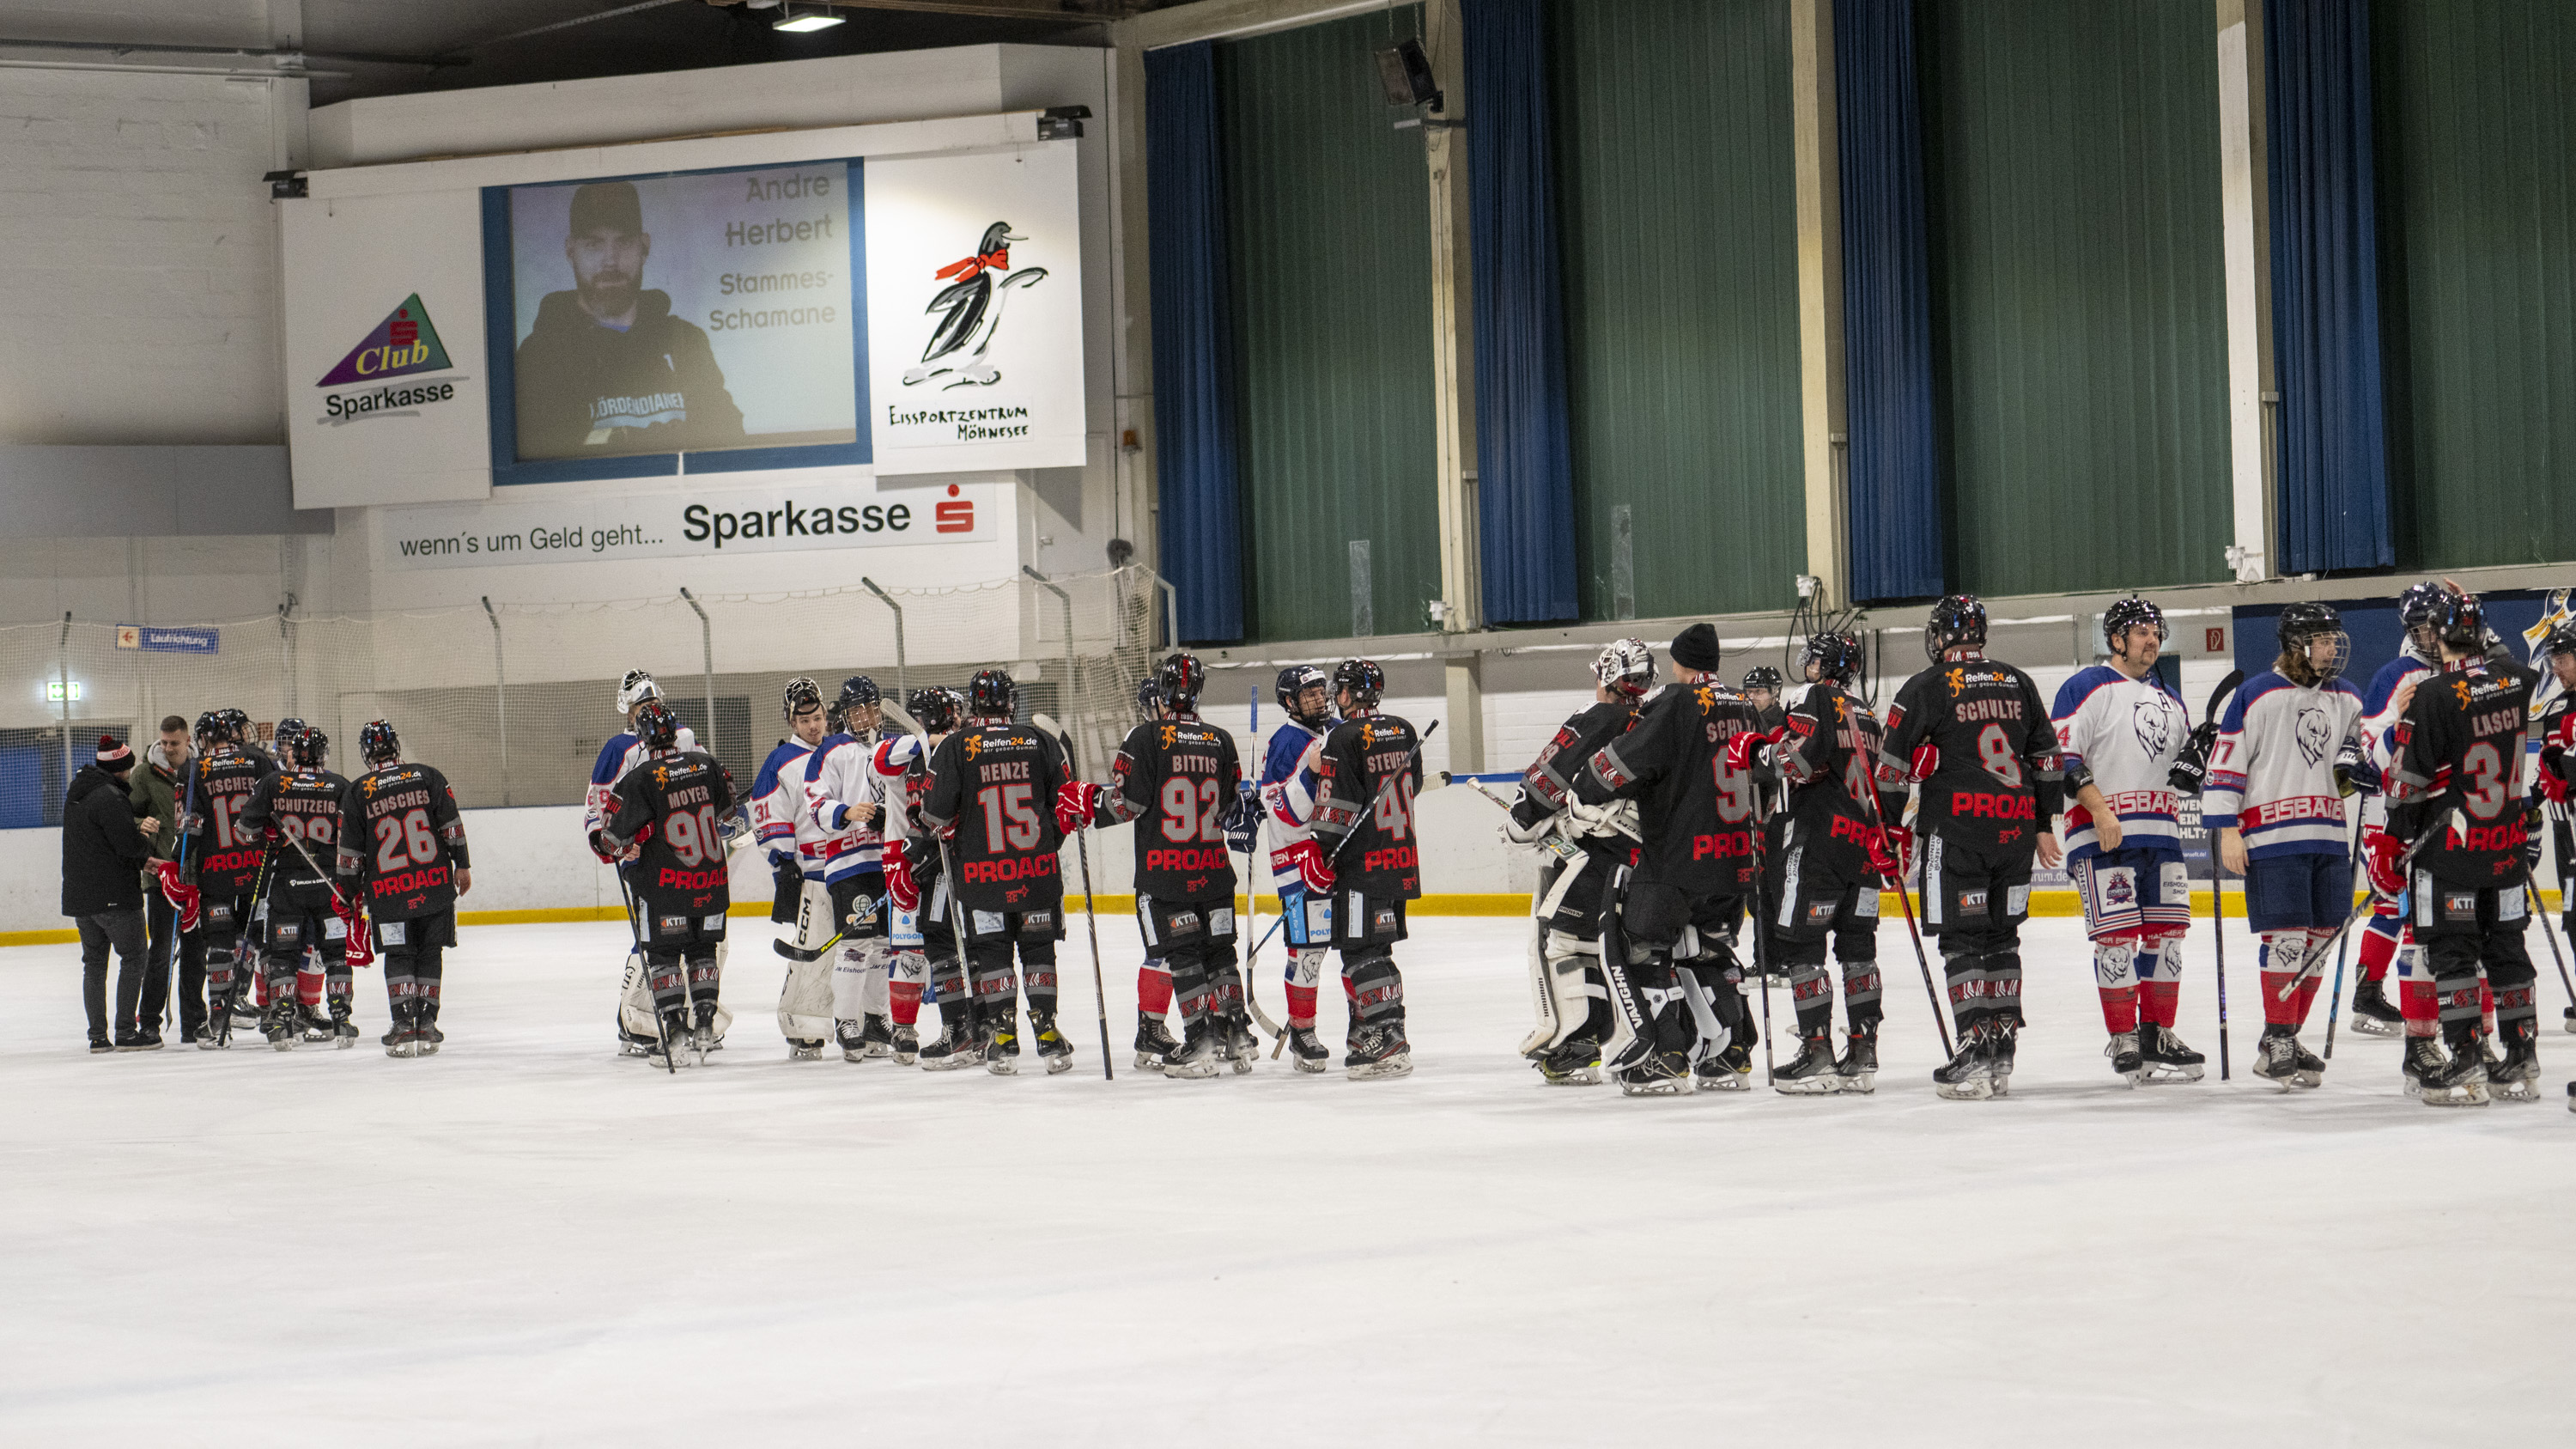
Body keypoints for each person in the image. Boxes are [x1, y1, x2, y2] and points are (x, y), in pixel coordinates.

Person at [1878, 594, 2065, 1099]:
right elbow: (2049, 760)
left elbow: (1891, 769)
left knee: (1962, 940)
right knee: (2002, 937)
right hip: (2014, 834)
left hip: (1955, 832)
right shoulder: (2018, 681)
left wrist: (1891, 831)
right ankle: (2001, 1049)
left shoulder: (1924, 686)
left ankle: (1973, 1050)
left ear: (1940, 637)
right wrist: (2044, 820)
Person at [1577, 625, 1767, 1095]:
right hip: (1737, 858)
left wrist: (1586, 786)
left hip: (1679, 859)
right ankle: (1728, 1056)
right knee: (1709, 951)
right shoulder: (1746, 706)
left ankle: (1662, 1056)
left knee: (1641, 947)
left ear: (1680, 661)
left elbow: (1617, 767)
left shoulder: (1676, 702)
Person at [2379, 590, 2543, 1105]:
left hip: (2449, 848)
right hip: (2507, 846)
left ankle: (2468, 1056)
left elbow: (2407, 782)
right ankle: (2522, 1053)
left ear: (2439, 635)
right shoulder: (2519, 680)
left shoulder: (2432, 693)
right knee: (2508, 949)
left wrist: (2393, 835)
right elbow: (2510, 668)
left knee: (2453, 955)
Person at [2202, 601, 2366, 1090]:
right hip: (2273, 839)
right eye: (2323, 639)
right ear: (2296, 645)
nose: (2333, 647)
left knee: (2321, 942)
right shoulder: (2256, 695)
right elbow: (2226, 767)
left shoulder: (2348, 698)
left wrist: (2365, 765)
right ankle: (2277, 1038)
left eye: (2334, 638)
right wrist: (2228, 830)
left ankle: (2288, 1035)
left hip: (2329, 838)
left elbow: (2357, 764)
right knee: (2289, 939)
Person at [1066, 653, 1252, 1079]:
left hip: (1167, 873)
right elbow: (1227, 808)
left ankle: (1199, 1041)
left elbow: (1127, 802)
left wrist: (1089, 801)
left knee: (1182, 955)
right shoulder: (1221, 739)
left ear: (1163, 691)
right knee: (1221, 954)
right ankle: (1236, 1033)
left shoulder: (1146, 737)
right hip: (1215, 870)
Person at [2050, 597, 2205, 1085]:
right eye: (2140, 631)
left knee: (2168, 939)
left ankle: (2158, 1032)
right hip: (2103, 837)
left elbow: (2182, 772)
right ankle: (2124, 1036)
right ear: (2116, 639)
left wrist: (2201, 755)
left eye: (2156, 631)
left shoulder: (2172, 700)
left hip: (2163, 837)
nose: (2151, 639)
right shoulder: (2087, 686)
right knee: (2115, 940)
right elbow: (2064, 757)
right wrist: (2099, 809)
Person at [1739, 630, 1897, 1093]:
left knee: (1802, 948)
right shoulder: (1868, 713)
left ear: (1822, 665)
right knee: (1858, 950)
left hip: (1816, 843)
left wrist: (1756, 753)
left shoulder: (1814, 694)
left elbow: (1800, 762)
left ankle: (1817, 1052)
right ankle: (1864, 1051)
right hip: (1863, 846)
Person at [1504, 640, 1655, 1087]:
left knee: (1564, 943)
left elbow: (1546, 777)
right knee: (1608, 946)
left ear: (1606, 675)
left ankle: (1576, 1041)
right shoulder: (1653, 720)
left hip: (1591, 854)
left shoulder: (1597, 717)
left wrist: (1521, 822)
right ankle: (1609, 1035)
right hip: (1641, 860)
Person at [513, 180, 745, 459]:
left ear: (644, 247)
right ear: (570, 250)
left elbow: (728, 452)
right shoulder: (541, 355)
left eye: (623, 242)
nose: (610, 260)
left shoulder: (686, 342)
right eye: (594, 244)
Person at [920, 670, 1078, 1075]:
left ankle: (1004, 1038)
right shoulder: (1040, 741)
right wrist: (1043, 848)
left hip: (981, 876)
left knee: (992, 953)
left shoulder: (957, 746)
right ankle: (1047, 1032)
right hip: (1036, 871)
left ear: (973, 706)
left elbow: (934, 816)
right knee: (1039, 950)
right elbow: (1065, 809)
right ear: (1012, 702)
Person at [594, 700, 733, 1064]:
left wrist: (616, 842)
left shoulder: (638, 779)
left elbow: (611, 839)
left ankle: (674, 1034)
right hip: (710, 882)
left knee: (663, 956)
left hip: (664, 888)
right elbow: (730, 812)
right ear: (676, 733)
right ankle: (704, 1025)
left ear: (642, 740)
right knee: (703, 951)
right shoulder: (707, 765)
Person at [1303, 659, 1423, 1080]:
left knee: (1360, 950)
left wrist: (1320, 851)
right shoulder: (1405, 730)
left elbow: (1335, 805)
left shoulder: (1343, 735)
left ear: (1349, 694)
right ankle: (1387, 1028)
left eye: (1340, 690)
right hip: (1400, 858)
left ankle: (1386, 1039)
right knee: (1378, 948)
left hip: (1362, 863)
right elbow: (1415, 784)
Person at [334, 720, 471, 1057]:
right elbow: (451, 825)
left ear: (366, 753)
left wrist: (348, 892)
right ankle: (426, 1024)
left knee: (399, 955)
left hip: (388, 893)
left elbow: (349, 855)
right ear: (395, 746)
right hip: (434, 886)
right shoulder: (427, 776)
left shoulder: (358, 791)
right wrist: (463, 864)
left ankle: (403, 1024)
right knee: (429, 953)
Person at [590, 669, 702, 1055]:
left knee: (699, 940)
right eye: (641, 704)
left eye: (653, 702)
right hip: (645, 859)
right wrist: (614, 846)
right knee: (654, 941)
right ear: (628, 709)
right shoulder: (618, 747)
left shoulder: (684, 736)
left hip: (688, 858)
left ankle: (692, 1019)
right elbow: (597, 807)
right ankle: (636, 1021)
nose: (649, 709)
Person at [240, 724, 366, 1050]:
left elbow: (243, 831)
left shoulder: (273, 783)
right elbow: (357, 838)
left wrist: (265, 831)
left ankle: (282, 1021)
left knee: (282, 955)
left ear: (294, 753)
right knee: (337, 954)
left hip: (286, 882)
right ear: (323, 754)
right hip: (330, 883)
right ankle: (341, 1019)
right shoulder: (340, 785)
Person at [799, 675, 898, 1062]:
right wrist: (846, 812)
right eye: (856, 710)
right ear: (845, 715)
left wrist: (888, 816)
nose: (865, 716)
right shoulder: (832, 750)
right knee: (857, 945)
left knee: (885, 947)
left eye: (871, 708)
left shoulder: (891, 749)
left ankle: (876, 1018)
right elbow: (815, 801)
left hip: (888, 862)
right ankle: (846, 1021)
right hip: (850, 863)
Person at [881, 687, 968, 1068]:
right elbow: (878, 764)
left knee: (956, 945)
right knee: (919, 947)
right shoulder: (910, 754)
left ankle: (967, 1027)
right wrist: (922, 744)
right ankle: (911, 1027)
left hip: (956, 862)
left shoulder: (964, 751)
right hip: (923, 863)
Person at [180, 709, 277, 1047]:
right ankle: (258, 1005)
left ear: (204, 738)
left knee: (220, 943)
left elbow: (190, 825)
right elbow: (275, 813)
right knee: (252, 934)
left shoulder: (193, 769)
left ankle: (220, 1012)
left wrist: (177, 863)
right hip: (256, 865)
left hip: (216, 870)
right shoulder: (258, 761)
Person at [62, 734, 160, 1052]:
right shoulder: (111, 797)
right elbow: (127, 846)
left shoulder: (77, 794)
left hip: (81, 897)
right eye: (128, 769)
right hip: (114, 896)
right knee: (134, 958)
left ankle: (97, 1037)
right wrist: (144, 848)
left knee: (94, 963)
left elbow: (98, 843)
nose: (130, 774)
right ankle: (126, 1032)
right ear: (121, 768)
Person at [134, 715, 204, 1042]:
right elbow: (125, 813)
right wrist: (139, 822)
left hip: (196, 879)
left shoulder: (201, 771)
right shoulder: (145, 774)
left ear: (187, 740)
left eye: (174, 743)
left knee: (194, 952)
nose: (168, 748)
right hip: (161, 878)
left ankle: (193, 1022)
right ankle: (149, 1020)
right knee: (160, 951)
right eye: (163, 742)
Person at [2532, 626, 2576, 1028]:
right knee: (2574, 914)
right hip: (2567, 833)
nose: (2557, 668)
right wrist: (2527, 812)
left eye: (2564, 659)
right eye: (2554, 660)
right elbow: (2545, 773)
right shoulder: (2556, 708)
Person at [1741, 666, 1786, 734]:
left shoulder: (1785, 723)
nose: (1751, 697)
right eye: (1749, 691)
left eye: (1759, 691)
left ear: (1774, 693)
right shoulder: (1741, 720)